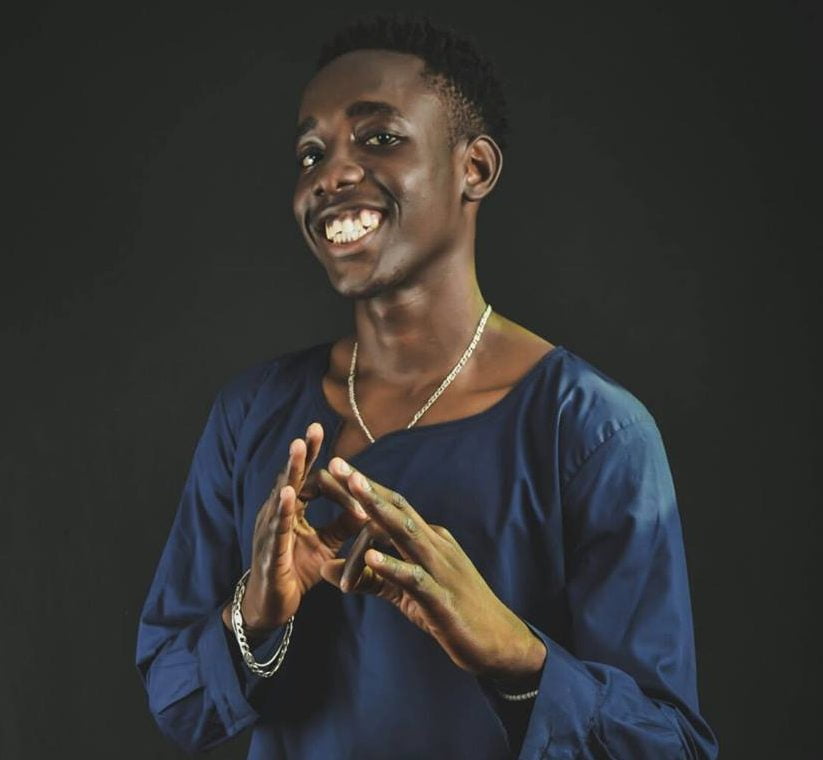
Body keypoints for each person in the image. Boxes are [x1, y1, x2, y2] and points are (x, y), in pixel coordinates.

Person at [136, 14, 718, 759]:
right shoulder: (252, 413)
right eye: (311, 153)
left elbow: (669, 746)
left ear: (474, 168)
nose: (329, 175)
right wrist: (255, 615)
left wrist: (515, 654)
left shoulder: (592, 432)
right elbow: (178, 701)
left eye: (379, 137)